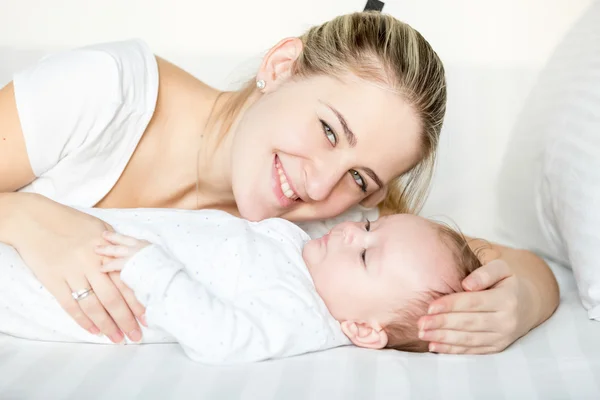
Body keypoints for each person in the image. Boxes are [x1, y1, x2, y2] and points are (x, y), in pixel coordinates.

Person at [0, 11, 558, 353]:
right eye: (329, 131)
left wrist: (521, 303)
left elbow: (509, 265)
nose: (319, 186)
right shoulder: (104, 93)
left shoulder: (335, 229)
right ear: (281, 66)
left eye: (360, 177)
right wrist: (27, 217)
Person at [0, 206, 483, 363]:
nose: (353, 231)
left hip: (62, 289)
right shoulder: (308, 259)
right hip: (66, 233)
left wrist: (154, 272)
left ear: (363, 330)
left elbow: (224, 339)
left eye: (364, 254)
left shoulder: (301, 313)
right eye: (372, 227)